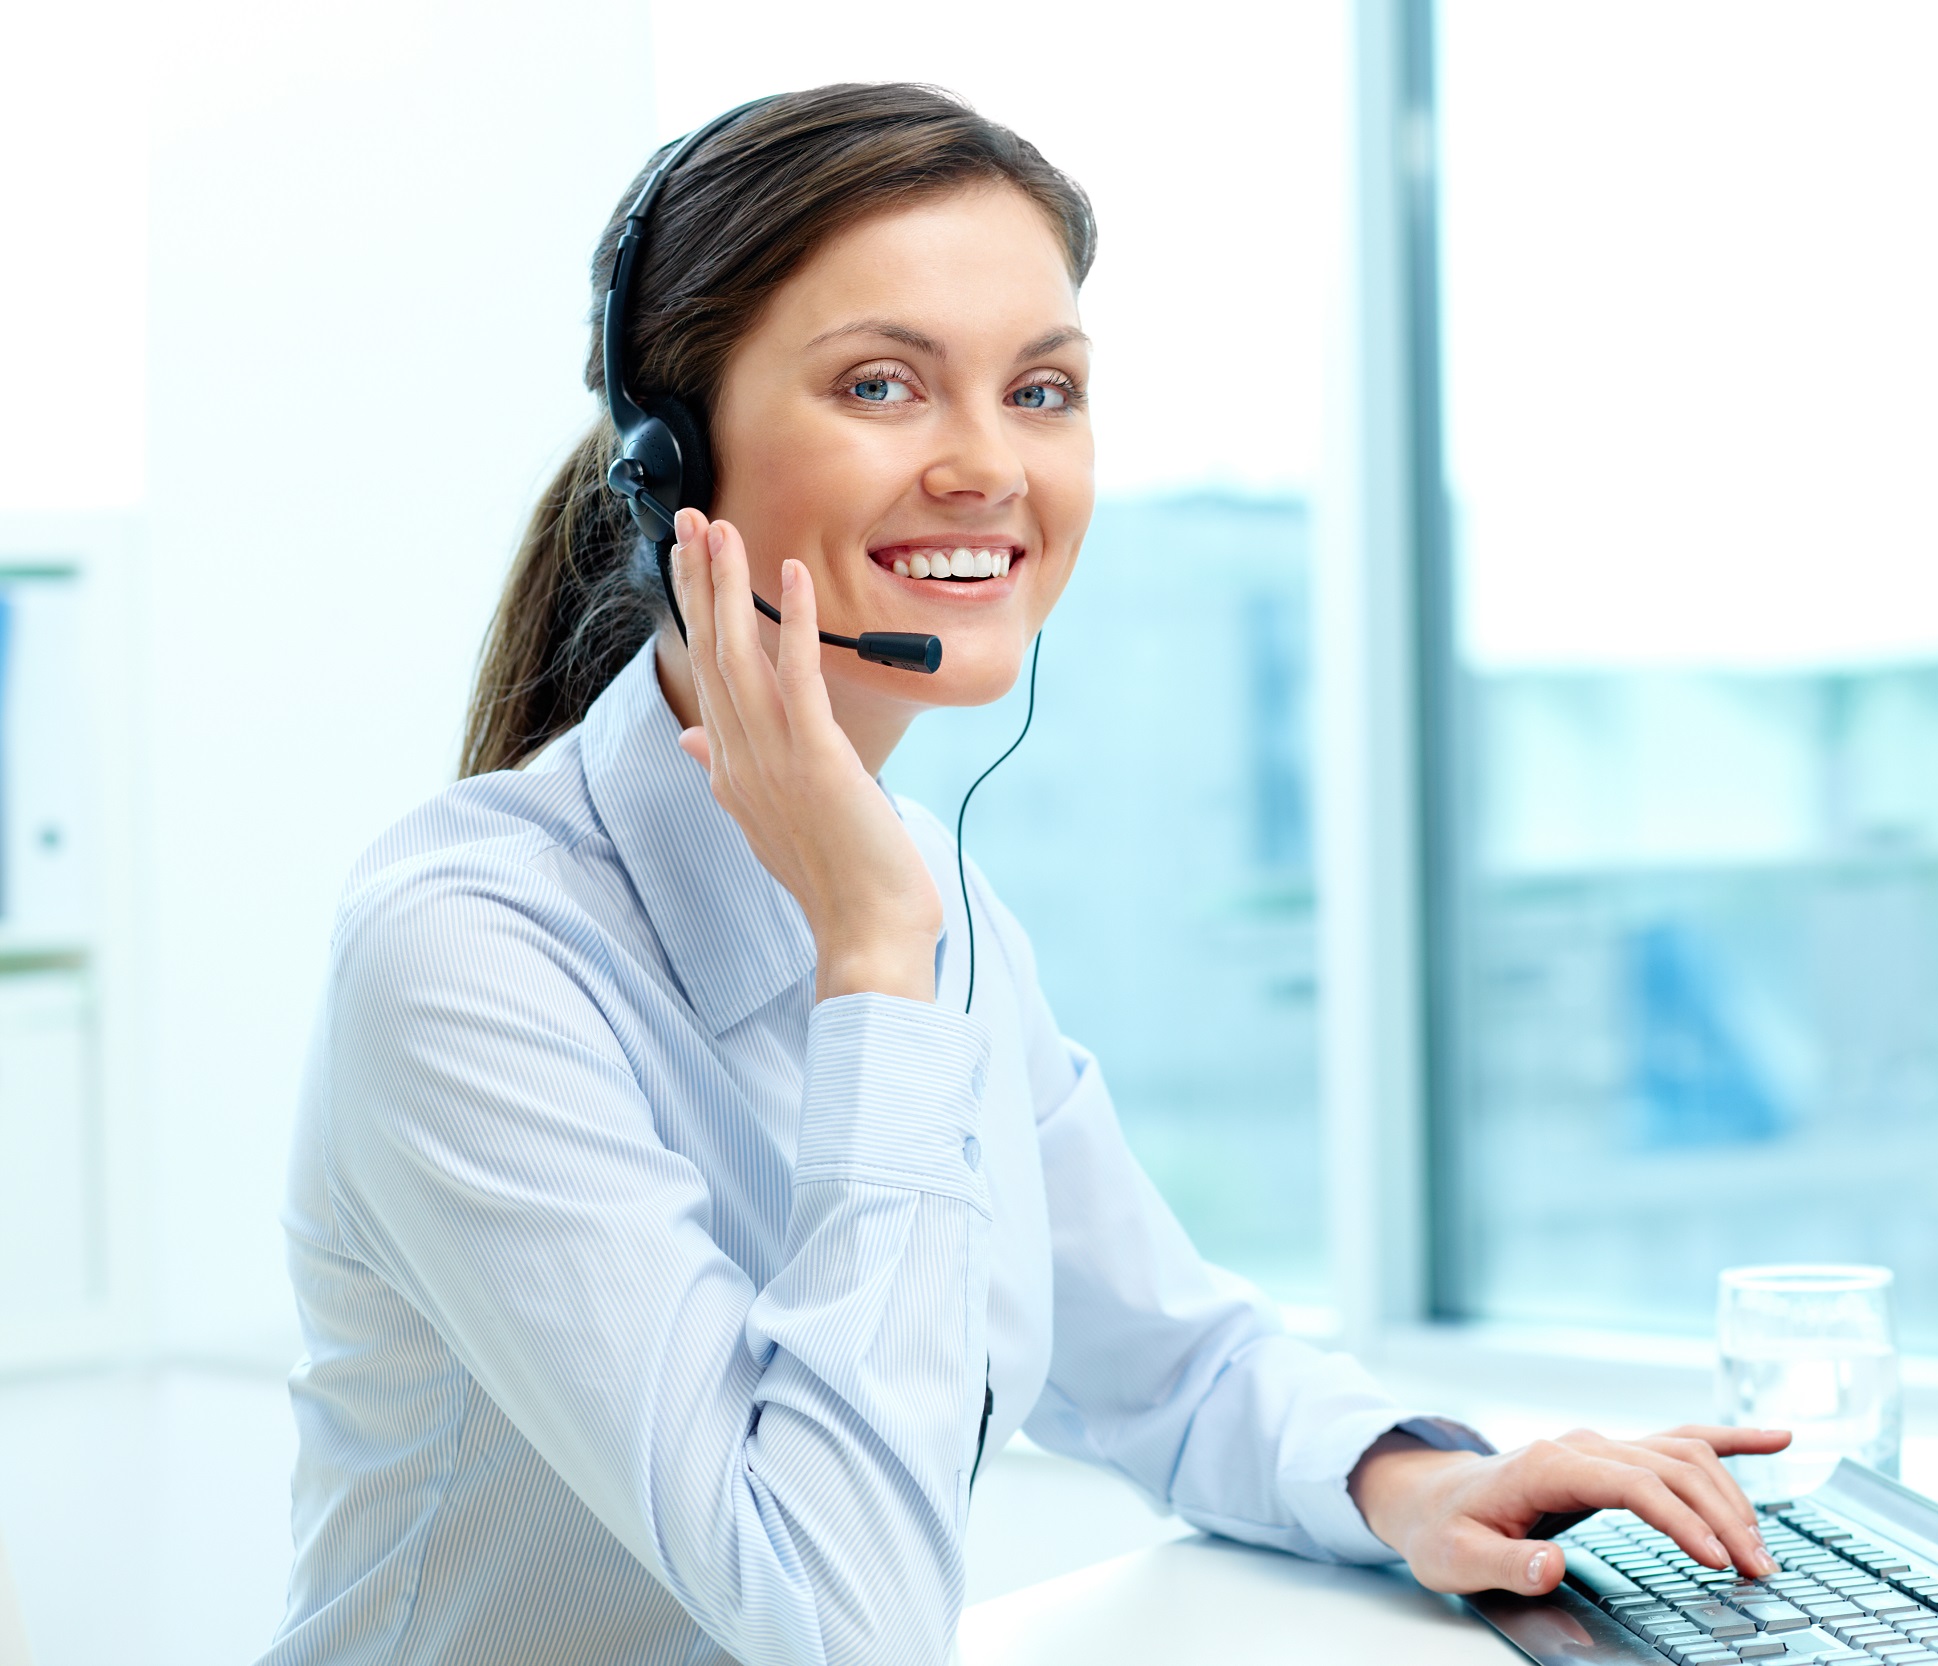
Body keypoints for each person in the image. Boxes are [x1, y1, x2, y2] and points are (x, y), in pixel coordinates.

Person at [263, 83, 1789, 1665]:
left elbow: (1166, 1357)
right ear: (672, 464)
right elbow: (833, 1622)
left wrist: (1426, 1481)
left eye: (1043, 390)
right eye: (882, 383)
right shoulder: (472, 952)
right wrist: (871, 959)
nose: (989, 465)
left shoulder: (929, 899)